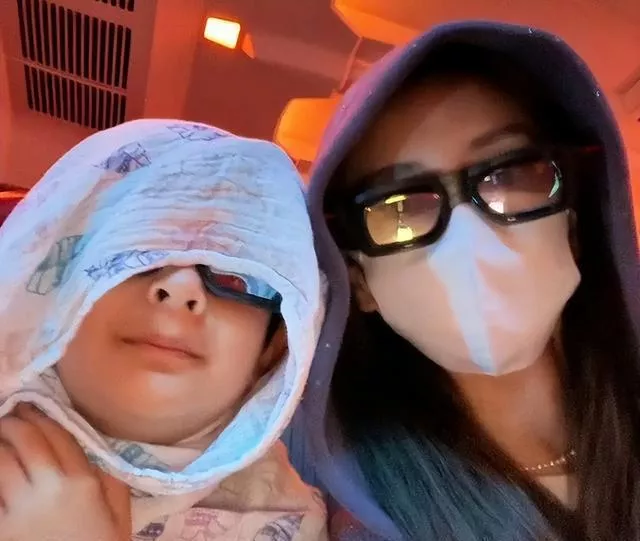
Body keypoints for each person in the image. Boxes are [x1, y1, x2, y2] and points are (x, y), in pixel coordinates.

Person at [286, 20, 640, 541]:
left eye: (507, 174)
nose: (470, 237)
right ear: (357, 279)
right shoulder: (326, 498)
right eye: (401, 206)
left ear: (574, 215)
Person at [0, 119, 327, 541]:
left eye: (236, 276)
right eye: (134, 251)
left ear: (274, 350)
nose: (181, 287)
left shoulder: (296, 527)